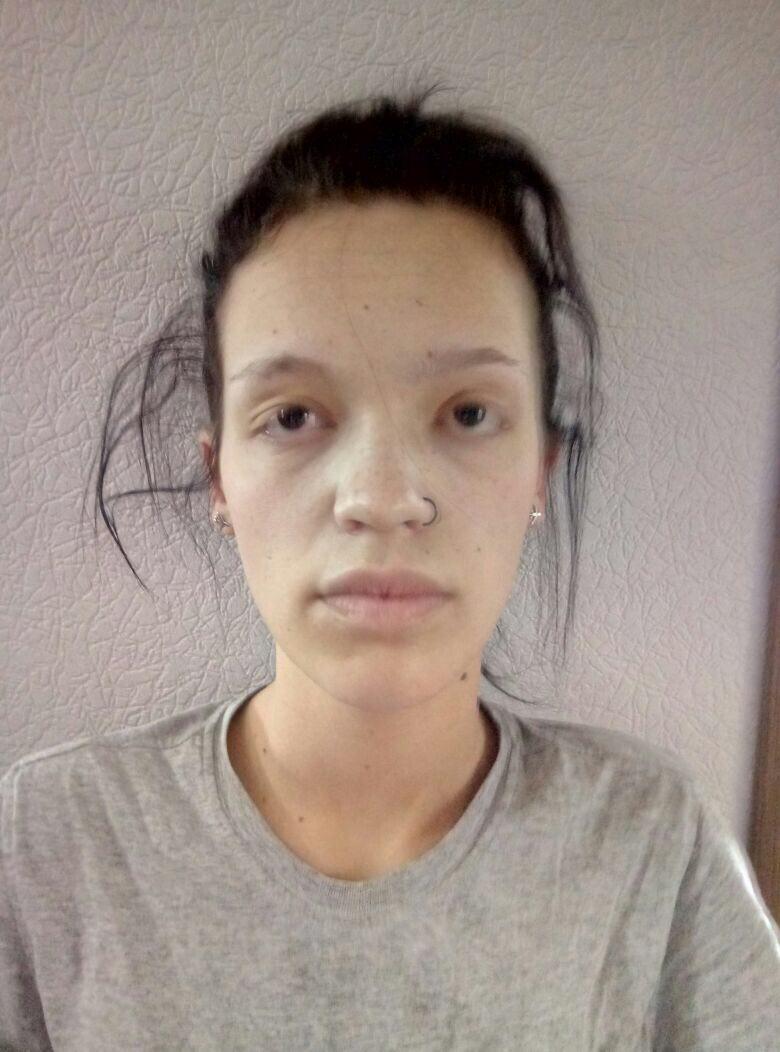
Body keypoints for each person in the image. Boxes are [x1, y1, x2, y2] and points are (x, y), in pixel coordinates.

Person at [1, 84, 778, 1051]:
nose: (381, 496)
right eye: (293, 416)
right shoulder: (49, 844)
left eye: (468, 414)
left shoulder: (650, 848)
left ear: (539, 471)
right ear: (220, 479)